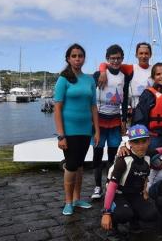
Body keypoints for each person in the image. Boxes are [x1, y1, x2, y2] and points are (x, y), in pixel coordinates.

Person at [54, 43, 100, 215]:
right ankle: (67, 202)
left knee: (80, 166)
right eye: (74, 56)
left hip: (85, 130)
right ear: (68, 58)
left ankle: (77, 199)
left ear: (84, 58)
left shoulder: (89, 80)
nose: (77, 58)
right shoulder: (63, 79)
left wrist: (97, 130)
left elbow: (93, 107)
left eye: (80, 56)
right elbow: (57, 108)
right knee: (72, 165)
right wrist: (61, 136)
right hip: (69, 130)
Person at [101, 124, 158, 238]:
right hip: (118, 194)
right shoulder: (123, 160)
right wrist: (106, 212)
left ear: (149, 141)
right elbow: (111, 186)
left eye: (144, 141)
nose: (141, 146)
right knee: (123, 214)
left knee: (151, 214)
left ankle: (134, 222)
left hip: (134, 194)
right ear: (130, 143)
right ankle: (113, 227)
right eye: (136, 142)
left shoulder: (148, 155)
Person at [91, 44, 128, 199]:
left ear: (122, 59)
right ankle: (97, 186)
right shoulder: (97, 74)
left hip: (114, 121)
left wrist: (124, 119)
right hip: (99, 121)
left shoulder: (124, 76)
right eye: (112, 58)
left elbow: (125, 101)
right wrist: (102, 70)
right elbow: (90, 99)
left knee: (113, 157)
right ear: (107, 59)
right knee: (97, 156)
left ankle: (109, 183)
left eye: (118, 58)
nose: (115, 61)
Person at [97, 42, 154, 120]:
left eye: (146, 53)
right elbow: (109, 64)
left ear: (150, 55)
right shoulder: (130, 68)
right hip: (137, 112)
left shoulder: (155, 69)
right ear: (136, 55)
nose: (143, 56)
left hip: (153, 111)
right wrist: (103, 72)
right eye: (141, 53)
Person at [132, 62, 162, 149]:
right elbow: (139, 116)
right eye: (158, 74)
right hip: (154, 137)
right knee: (153, 161)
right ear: (153, 77)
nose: (161, 76)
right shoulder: (148, 94)